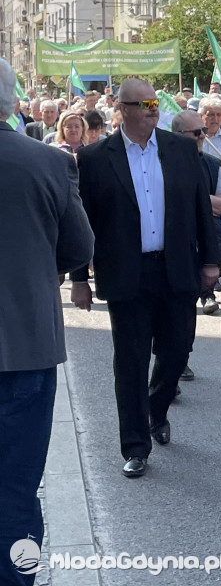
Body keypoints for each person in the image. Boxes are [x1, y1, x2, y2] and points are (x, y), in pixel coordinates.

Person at [70, 79, 221, 478]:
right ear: (124, 108)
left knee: (177, 350)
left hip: (176, 268)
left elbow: (200, 211)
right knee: (132, 361)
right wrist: (78, 278)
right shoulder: (95, 157)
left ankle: (156, 410)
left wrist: (211, 261)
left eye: (156, 102)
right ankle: (136, 445)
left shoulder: (181, 150)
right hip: (125, 274)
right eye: (146, 103)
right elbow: (82, 221)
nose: (155, 109)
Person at [0, 59, 93, 586]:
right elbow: (80, 247)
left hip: (26, 350)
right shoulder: (49, 163)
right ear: (14, 104)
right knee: (15, 489)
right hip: (25, 348)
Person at [173, 110, 221, 317]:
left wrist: (193, 195)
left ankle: (208, 293)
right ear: (179, 134)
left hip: (207, 234)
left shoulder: (213, 164)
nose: (202, 136)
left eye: (204, 131)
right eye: (196, 132)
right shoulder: (162, 163)